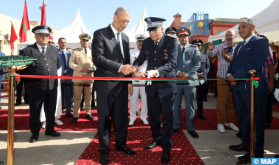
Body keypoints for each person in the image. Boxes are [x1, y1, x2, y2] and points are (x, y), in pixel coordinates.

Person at [92, 7, 136, 165]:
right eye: (124, 20)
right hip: (105, 86)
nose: (126, 24)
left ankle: (121, 144)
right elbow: (97, 58)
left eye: (128, 22)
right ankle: (104, 150)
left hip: (122, 85)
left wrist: (129, 79)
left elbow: (127, 62)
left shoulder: (125, 37)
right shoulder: (100, 34)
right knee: (104, 120)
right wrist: (119, 68)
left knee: (122, 118)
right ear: (115, 17)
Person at [133, 17, 178, 164]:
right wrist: (134, 67)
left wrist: (155, 72)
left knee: (167, 117)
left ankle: (166, 147)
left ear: (161, 29)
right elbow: (140, 58)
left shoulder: (171, 41)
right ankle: (156, 138)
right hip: (151, 85)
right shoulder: (146, 42)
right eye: (150, 31)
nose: (152, 34)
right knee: (153, 115)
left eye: (154, 31)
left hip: (166, 83)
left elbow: (172, 63)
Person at [227, 19, 269, 161]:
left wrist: (235, 76)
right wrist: (228, 75)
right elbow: (233, 63)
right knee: (242, 117)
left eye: (244, 27)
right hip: (238, 86)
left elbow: (255, 64)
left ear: (253, 27)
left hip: (252, 86)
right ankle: (245, 144)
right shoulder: (239, 46)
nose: (241, 30)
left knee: (255, 119)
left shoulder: (260, 42)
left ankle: (257, 153)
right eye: (239, 28)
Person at [19, 25, 62, 143]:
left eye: (46, 35)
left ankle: (50, 129)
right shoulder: (26, 50)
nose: (44, 37)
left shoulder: (54, 49)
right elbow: (21, 69)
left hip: (52, 86)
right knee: (35, 110)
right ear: (36, 36)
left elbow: (57, 65)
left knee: (50, 109)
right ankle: (35, 132)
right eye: (41, 35)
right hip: (35, 86)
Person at [207, 30, 239, 133]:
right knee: (221, 102)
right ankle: (220, 122)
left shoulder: (238, 47)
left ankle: (228, 121)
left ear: (234, 36)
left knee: (232, 102)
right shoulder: (220, 46)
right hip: (221, 77)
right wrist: (210, 49)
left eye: (230, 35)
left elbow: (239, 62)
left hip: (234, 78)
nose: (228, 37)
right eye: (227, 35)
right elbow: (210, 54)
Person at [172, 27, 200, 138]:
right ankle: (176, 126)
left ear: (188, 37)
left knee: (190, 106)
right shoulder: (174, 49)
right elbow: (171, 64)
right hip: (177, 81)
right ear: (178, 38)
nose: (183, 38)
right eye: (181, 36)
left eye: (185, 36)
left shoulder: (194, 49)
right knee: (176, 105)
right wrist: (178, 72)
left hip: (190, 81)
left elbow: (197, 64)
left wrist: (187, 74)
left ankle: (191, 128)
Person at [69, 33, 95, 124]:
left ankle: (88, 113)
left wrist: (91, 69)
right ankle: (75, 115)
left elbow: (96, 65)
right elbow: (71, 64)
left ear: (89, 41)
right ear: (80, 41)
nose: (85, 42)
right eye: (83, 40)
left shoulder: (93, 51)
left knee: (88, 97)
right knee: (77, 97)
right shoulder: (75, 51)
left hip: (89, 77)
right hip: (78, 77)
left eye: (86, 40)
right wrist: (81, 69)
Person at [129, 34, 148, 125]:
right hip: (134, 78)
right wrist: (132, 73)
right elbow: (128, 65)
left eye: (142, 41)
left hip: (145, 78)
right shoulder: (131, 52)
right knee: (133, 98)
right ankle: (132, 117)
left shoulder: (148, 52)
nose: (141, 43)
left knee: (145, 98)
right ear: (136, 42)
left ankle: (144, 116)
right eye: (139, 41)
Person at [192, 39, 210, 120]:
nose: (198, 46)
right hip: (192, 79)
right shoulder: (189, 55)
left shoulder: (204, 55)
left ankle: (200, 113)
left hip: (202, 79)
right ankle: (191, 114)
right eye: (195, 45)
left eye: (199, 45)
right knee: (191, 97)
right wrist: (196, 74)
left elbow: (208, 67)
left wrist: (203, 74)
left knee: (200, 97)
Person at [58, 37, 74, 118]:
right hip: (58, 79)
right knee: (57, 97)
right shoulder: (55, 53)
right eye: (61, 42)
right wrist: (60, 76)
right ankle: (57, 113)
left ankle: (68, 111)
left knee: (68, 96)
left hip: (68, 78)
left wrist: (67, 76)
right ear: (58, 43)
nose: (63, 44)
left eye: (64, 42)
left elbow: (72, 66)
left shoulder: (70, 53)